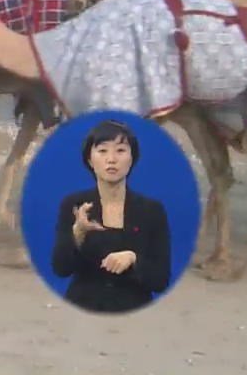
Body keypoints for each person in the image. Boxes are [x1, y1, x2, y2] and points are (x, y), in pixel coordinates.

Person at [52, 119, 171, 314]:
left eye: (120, 150)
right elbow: (61, 269)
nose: (111, 159)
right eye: (102, 151)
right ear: (90, 160)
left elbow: (160, 280)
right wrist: (78, 233)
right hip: (82, 308)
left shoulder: (152, 210)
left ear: (132, 158)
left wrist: (134, 259)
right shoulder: (74, 205)